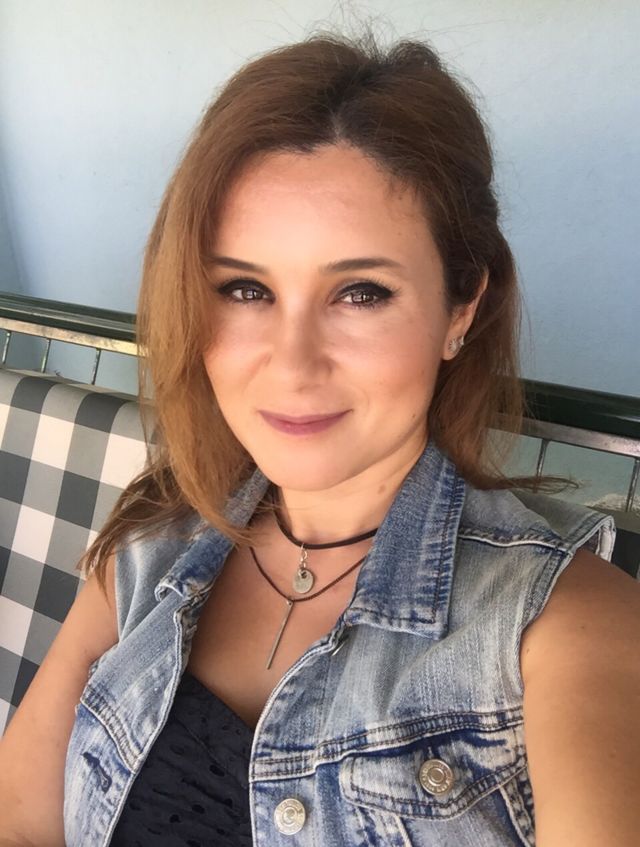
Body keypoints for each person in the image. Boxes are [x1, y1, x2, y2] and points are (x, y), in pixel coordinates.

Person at [1, 26, 638, 847]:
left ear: (461, 308)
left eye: (361, 292)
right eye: (245, 288)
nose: (292, 363)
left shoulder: (565, 627)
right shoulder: (155, 536)